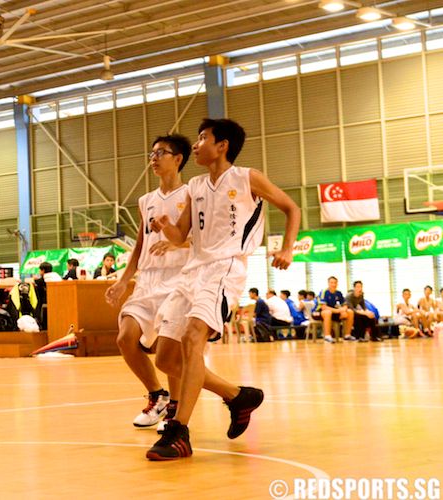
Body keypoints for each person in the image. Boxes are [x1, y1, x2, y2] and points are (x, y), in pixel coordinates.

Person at [147, 117, 300, 461]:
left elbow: (293, 208)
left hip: (225, 268)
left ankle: (179, 431)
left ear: (222, 145)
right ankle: (237, 395)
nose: (197, 144)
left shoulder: (248, 177)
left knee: (192, 339)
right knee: (167, 358)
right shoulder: (196, 185)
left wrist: (287, 248)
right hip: (192, 271)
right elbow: (181, 236)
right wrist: (166, 227)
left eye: (203, 138)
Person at [106, 134, 192, 431]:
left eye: (161, 153)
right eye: (151, 154)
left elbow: (203, 239)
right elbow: (140, 245)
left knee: (170, 349)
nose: (153, 159)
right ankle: (158, 396)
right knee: (124, 338)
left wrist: (177, 245)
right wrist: (123, 280)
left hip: (180, 278)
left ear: (178, 158)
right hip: (148, 280)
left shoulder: (192, 194)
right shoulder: (146, 201)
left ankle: (175, 411)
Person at [314, 277, 354, 343]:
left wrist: (343, 310)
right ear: (328, 283)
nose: (333, 284)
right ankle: (327, 336)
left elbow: (345, 304)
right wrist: (338, 311)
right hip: (319, 312)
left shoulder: (338, 293)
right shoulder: (324, 292)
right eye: (331, 283)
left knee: (350, 312)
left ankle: (347, 335)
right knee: (327, 312)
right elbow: (324, 307)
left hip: (333, 312)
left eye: (335, 283)